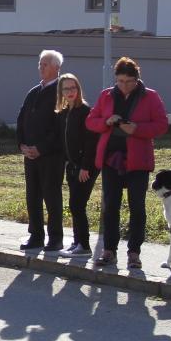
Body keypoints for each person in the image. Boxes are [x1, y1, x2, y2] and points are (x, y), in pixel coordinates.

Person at [84, 56, 169, 269]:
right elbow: (91, 122)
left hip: (137, 160)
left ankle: (134, 253)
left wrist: (137, 129)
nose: (123, 86)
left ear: (137, 79)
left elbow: (161, 125)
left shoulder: (150, 96)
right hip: (111, 159)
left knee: (137, 207)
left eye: (128, 81)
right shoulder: (106, 95)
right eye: (120, 81)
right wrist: (106, 121)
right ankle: (109, 250)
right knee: (111, 206)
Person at [16, 49, 65, 252]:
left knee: (51, 196)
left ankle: (55, 237)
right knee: (32, 195)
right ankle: (35, 235)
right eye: (40, 64)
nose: (41, 67)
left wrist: (41, 148)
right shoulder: (34, 92)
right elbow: (21, 119)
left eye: (45, 64)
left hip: (51, 156)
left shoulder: (61, 91)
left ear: (57, 67)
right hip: (30, 154)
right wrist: (22, 144)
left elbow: (60, 127)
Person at [56, 72, 99, 257]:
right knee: (74, 204)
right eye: (66, 89)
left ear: (78, 89)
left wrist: (85, 167)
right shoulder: (64, 112)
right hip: (72, 165)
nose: (70, 91)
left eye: (73, 87)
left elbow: (91, 142)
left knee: (77, 204)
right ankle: (77, 242)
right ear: (61, 92)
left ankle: (84, 246)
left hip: (86, 166)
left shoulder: (85, 111)